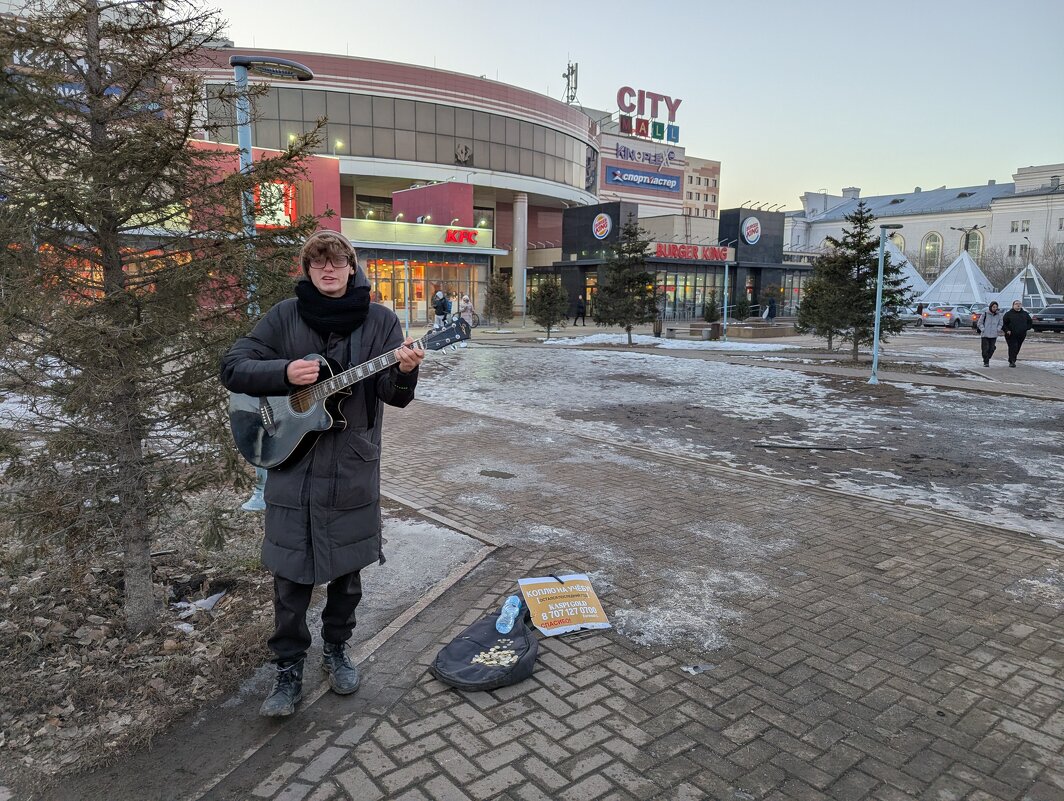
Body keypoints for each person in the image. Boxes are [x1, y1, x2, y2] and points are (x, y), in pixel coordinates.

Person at [220, 230, 425, 718]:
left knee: (346, 574)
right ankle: (288, 668)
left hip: (352, 466)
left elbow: (393, 396)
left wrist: (407, 369)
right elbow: (233, 367)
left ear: (352, 267)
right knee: (290, 578)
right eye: (318, 264)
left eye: (336, 262)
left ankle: (337, 650)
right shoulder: (284, 317)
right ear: (308, 270)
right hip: (291, 462)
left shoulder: (380, 322)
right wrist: (285, 374)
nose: (328, 270)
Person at [1002, 299, 1033, 367]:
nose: (1018, 305)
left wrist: (1026, 328)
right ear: (1013, 305)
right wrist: (1007, 330)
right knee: (1013, 347)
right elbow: (1003, 324)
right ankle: (1012, 361)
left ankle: (1013, 359)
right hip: (1011, 334)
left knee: (1017, 347)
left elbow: (1030, 322)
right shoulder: (1008, 314)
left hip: (1021, 334)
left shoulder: (1025, 314)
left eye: (1019, 304)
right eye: (1016, 304)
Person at [976, 301, 1003, 367]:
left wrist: (998, 329)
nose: (995, 308)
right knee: (985, 349)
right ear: (990, 307)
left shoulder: (999, 315)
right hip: (985, 334)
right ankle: (986, 361)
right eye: (993, 307)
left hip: (994, 334)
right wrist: (983, 329)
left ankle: (988, 357)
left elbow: (1000, 323)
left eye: (996, 307)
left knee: (991, 348)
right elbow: (980, 323)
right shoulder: (985, 314)